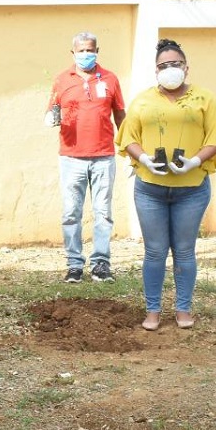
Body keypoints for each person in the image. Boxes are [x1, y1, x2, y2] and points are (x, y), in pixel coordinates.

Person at [116, 38, 216, 331]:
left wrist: (194, 161)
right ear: (156, 71)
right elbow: (127, 137)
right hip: (150, 190)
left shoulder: (204, 99)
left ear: (186, 67)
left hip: (191, 190)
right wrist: (144, 159)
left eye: (175, 64)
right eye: (163, 65)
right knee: (155, 251)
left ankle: (183, 308)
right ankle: (153, 310)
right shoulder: (143, 100)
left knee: (184, 250)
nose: (170, 69)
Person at [45, 32, 126, 283]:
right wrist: (51, 117)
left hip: (103, 156)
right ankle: (74, 264)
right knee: (71, 212)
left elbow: (120, 115)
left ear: (97, 51)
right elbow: (51, 111)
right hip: (71, 157)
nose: (85, 54)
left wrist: (129, 146)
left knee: (103, 212)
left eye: (90, 50)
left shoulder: (110, 79)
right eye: (81, 51)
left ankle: (101, 263)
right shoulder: (61, 80)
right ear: (73, 53)